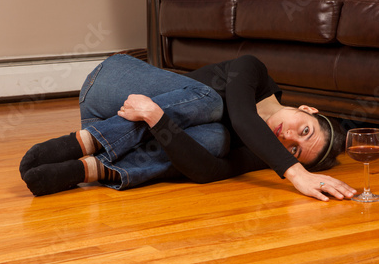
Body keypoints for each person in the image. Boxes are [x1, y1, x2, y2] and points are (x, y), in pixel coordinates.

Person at [20, 54, 356, 201]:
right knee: (212, 101)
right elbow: (242, 116)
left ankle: (92, 168)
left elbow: (206, 171)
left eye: (294, 150)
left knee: (214, 139)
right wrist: (297, 173)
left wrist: (156, 117)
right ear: (307, 109)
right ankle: (81, 142)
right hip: (110, 87)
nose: (288, 137)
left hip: (115, 131)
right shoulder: (253, 71)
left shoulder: (266, 151)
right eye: (305, 130)